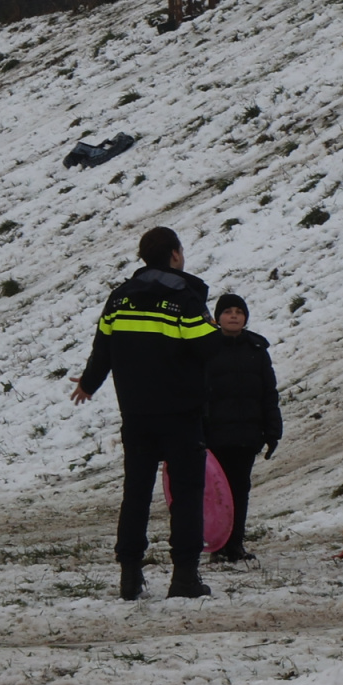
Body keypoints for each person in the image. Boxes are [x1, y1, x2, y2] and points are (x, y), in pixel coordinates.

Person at [71, 226, 219, 600]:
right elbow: (209, 349)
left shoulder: (119, 298)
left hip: (136, 415)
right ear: (174, 254)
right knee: (186, 495)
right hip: (181, 415)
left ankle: (129, 575)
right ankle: (184, 577)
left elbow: (102, 348)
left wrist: (88, 383)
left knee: (135, 493)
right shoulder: (183, 298)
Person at [203, 292, 282, 564]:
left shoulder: (257, 350)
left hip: (247, 436)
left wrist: (272, 431)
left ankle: (235, 544)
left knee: (239, 490)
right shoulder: (206, 348)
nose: (234, 316)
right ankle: (217, 545)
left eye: (239, 312)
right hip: (214, 436)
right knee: (215, 493)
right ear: (218, 318)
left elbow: (268, 393)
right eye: (228, 312)